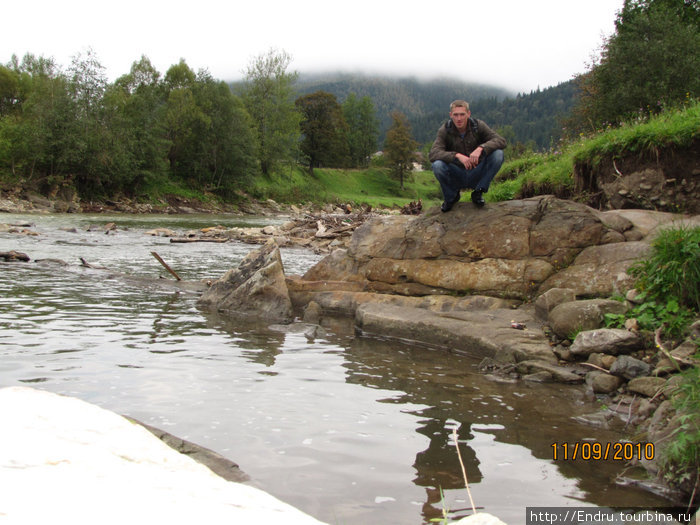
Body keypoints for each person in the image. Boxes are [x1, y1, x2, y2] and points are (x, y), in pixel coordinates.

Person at [429, 100, 506, 211]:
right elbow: (433, 154)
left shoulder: (478, 126)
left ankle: (478, 192)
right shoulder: (445, 130)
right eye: (455, 115)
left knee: (498, 155)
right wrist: (457, 156)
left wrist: (481, 148)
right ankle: (451, 197)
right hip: (457, 173)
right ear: (451, 115)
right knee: (437, 165)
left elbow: (501, 141)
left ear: (468, 114)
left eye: (462, 114)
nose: (459, 118)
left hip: (476, 171)